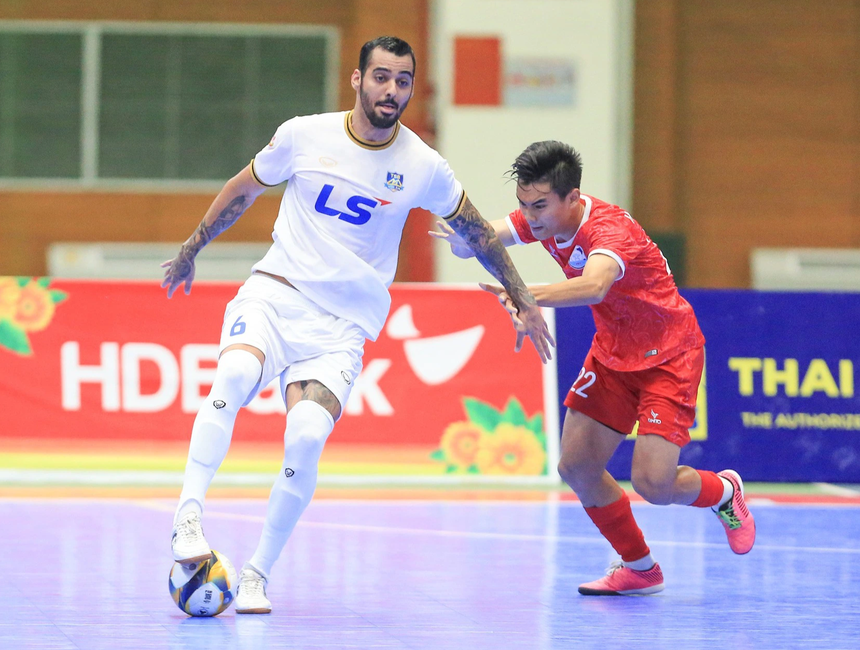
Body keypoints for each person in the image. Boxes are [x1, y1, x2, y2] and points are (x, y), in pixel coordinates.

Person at [161, 36, 554, 615]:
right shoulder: (303, 134)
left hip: (342, 327)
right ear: (357, 80)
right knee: (235, 375)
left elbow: (476, 231)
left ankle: (256, 574)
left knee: (307, 438)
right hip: (276, 294)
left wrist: (522, 297)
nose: (391, 90)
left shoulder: (423, 166)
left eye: (402, 81)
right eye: (381, 78)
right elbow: (245, 187)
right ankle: (187, 518)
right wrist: (193, 247)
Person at [432, 140, 754, 595]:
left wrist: (525, 296)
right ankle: (640, 568)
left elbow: (596, 285)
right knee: (578, 467)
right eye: (524, 204)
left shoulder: (609, 231)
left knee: (654, 484)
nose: (532, 215)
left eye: (540, 205)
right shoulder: (542, 217)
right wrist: (468, 243)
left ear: (573, 197)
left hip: (669, 356)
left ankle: (723, 493)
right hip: (611, 354)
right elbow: (489, 232)